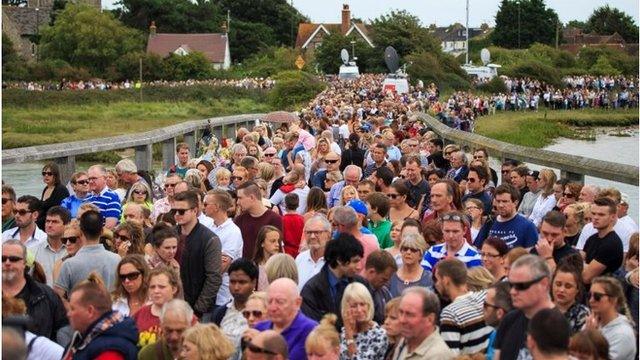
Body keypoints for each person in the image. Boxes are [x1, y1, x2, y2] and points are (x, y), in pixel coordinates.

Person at [492, 255, 557, 360]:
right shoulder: (509, 320)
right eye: (511, 285)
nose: (513, 291)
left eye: (521, 286)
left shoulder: (559, 326)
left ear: (544, 284)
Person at [2, 240, 68, 341]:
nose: (7, 263)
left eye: (13, 259)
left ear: (24, 263)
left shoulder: (47, 295)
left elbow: (62, 330)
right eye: (2, 259)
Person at [301, 234, 370, 328]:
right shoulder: (312, 289)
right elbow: (312, 326)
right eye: (355, 261)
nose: (359, 267)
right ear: (339, 260)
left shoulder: (361, 284)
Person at [63, 273, 138, 359]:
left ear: (90, 311)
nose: (68, 314)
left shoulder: (110, 350)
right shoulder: (84, 340)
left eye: (73, 309)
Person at [172, 190, 222, 318]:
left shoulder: (210, 239)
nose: (177, 215)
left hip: (198, 310)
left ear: (194, 210)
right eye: (174, 211)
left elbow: (214, 277)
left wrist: (198, 310)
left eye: (182, 211)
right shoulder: (169, 235)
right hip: (171, 305)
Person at [55, 210, 121, 297]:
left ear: (81, 232)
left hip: (79, 308)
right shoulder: (116, 259)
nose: (68, 243)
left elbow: (56, 297)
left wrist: (71, 307)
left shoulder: (69, 264)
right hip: (109, 308)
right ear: (101, 231)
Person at [435, 258, 492, 355]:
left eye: (437, 279)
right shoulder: (485, 297)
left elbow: (451, 356)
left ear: (445, 280)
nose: (436, 284)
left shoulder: (450, 313)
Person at [252, 278, 318, 360]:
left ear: (297, 303)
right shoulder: (259, 329)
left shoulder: (311, 331)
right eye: (269, 301)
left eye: (280, 302)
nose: (273, 308)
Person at [203, 189, 244, 307]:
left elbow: (221, 266)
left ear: (216, 207)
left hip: (222, 297)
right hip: (206, 293)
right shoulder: (206, 226)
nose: (203, 207)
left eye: (206, 204)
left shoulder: (233, 232)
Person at [134, 266, 190, 348]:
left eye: (161, 287)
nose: (156, 291)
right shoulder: (140, 313)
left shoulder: (186, 315)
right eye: (152, 287)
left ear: (174, 289)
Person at [210, 258, 257, 356]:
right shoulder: (220, 313)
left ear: (253, 282)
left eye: (242, 282)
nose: (236, 287)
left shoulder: (260, 313)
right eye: (232, 282)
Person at [392, 287, 454, 359]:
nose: (402, 320)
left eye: (410, 315)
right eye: (400, 312)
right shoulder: (405, 341)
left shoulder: (438, 355)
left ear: (430, 319)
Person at [585, 276, 637, 360]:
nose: (591, 300)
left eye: (597, 296)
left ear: (613, 300)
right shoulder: (591, 323)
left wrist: (591, 337)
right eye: (589, 295)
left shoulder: (623, 334)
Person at [339, 282, 389, 360]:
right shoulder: (343, 332)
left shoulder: (379, 335)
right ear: (346, 308)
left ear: (369, 305)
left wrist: (349, 337)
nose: (359, 310)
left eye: (362, 304)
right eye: (354, 306)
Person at [580, 197, 624, 284]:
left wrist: (583, 266)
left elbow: (586, 277)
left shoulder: (612, 244)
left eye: (601, 215)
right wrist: (585, 266)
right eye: (593, 213)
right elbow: (576, 262)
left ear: (613, 217)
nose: (595, 217)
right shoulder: (592, 238)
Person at [480, 184, 538, 249]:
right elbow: (478, 247)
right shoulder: (490, 222)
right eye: (498, 201)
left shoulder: (527, 226)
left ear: (515, 203)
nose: (500, 205)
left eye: (505, 201)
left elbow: (532, 256)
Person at [235, 181, 283, 259]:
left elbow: (277, 248)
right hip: (244, 267)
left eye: (240, 198)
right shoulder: (239, 220)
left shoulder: (274, 219)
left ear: (252, 197)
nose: (237, 202)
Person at [332, 206, 380, 275]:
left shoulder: (341, 246)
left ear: (342, 226)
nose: (336, 229)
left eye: (335, 224)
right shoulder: (373, 239)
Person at [32, 206, 70, 286]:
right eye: (47, 221)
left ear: (66, 225)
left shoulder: (73, 250)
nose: (49, 225)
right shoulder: (33, 250)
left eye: (55, 222)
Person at [389, 233, 433, 297]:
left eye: (413, 250)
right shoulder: (391, 275)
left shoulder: (429, 278)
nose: (408, 252)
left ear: (421, 254)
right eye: (405, 249)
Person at [551, 262, 590, 334]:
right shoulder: (542, 307)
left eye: (568, 286)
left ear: (577, 290)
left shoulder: (583, 313)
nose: (561, 290)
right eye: (558, 284)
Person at [296, 215, 331, 290]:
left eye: (317, 232)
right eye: (309, 232)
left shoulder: (334, 261)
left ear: (328, 235)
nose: (312, 236)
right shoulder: (300, 258)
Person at [363, 250, 397, 324]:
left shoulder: (384, 292)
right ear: (371, 272)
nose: (386, 283)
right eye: (383, 279)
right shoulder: (355, 292)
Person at [86, 165, 122, 230]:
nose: (91, 181)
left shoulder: (112, 197)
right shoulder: (87, 198)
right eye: (89, 179)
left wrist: (91, 237)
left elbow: (109, 226)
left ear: (105, 179)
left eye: (94, 178)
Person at [483, 282, 513, 360]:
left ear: (499, 313)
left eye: (485, 305)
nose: (481, 308)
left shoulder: (510, 344)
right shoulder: (495, 333)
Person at [37, 162, 70, 230]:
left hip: (54, 224)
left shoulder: (61, 190)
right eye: (44, 173)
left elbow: (60, 211)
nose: (46, 176)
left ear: (55, 175)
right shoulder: (46, 188)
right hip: (43, 223)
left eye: (49, 174)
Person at [253, 225, 284, 291]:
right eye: (273, 241)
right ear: (262, 243)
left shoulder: (282, 266)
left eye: (278, 241)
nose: (277, 244)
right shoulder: (254, 266)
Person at [282, 193, 304, 258]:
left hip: (286, 252)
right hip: (299, 252)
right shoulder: (302, 219)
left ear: (286, 204)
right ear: (297, 205)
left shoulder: (282, 220)